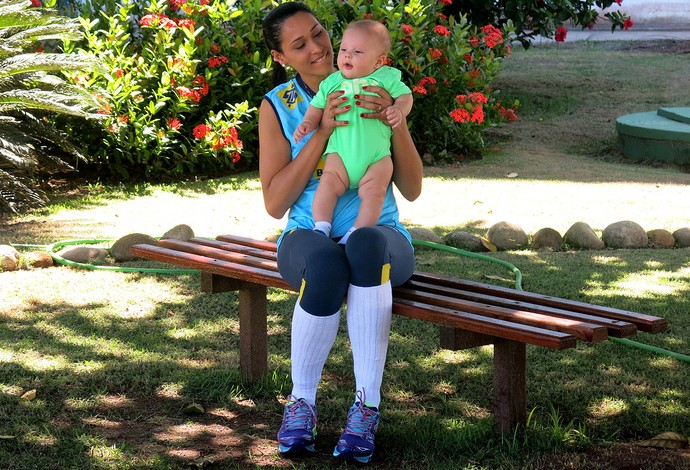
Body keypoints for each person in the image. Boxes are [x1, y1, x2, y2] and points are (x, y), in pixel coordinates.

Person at [260, 3, 422, 464]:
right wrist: (321, 132)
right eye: (298, 44)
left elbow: (410, 189)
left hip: (381, 233)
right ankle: (301, 404)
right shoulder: (279, 108)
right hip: (308, 233)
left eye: (317, 33)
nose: (317, 48)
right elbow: (274, 203)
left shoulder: (376, 85)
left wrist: (397, 119)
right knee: (328, 262)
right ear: (281, 58)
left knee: (367, 243)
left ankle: (366, 408)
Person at [293, 20, 413, 244]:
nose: (347, 56)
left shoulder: (386, 78)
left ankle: (357, 231)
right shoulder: (332, 82)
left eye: (357, 52)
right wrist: (308, 124)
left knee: (375, 193)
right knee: (326, 184)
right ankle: (321, 226)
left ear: (379, 61)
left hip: (376, 157)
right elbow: (316, 107)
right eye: (344, 50)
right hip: (340, 154)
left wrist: (398, 109)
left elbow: (406, 96)